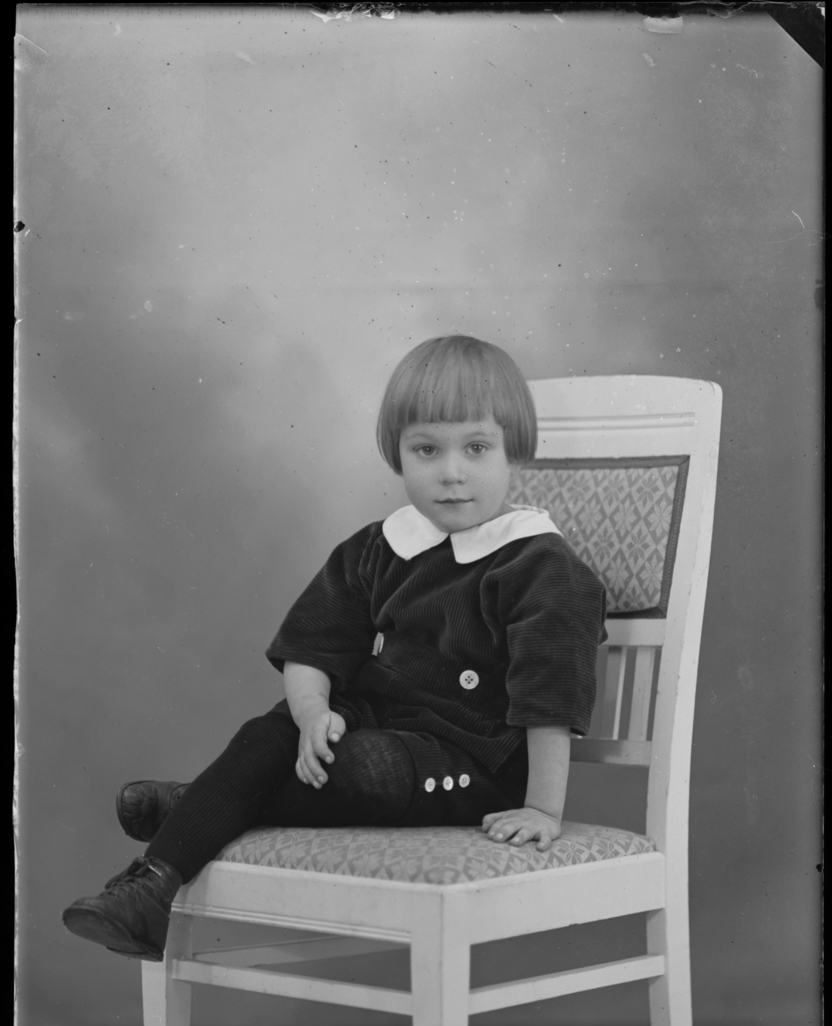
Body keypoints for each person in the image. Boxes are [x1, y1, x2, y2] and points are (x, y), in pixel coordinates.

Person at [62, 335, 607, 962]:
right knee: (269, 734)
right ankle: (147, 892)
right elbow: (314, 646)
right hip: (378, 726)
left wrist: (543, 808)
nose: (451, 472)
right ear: (398, 454)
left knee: (365, 771)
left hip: (474, 762)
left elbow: (550, 697)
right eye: (426, 449)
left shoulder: (539, 564)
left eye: (477, 448)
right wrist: (312, 711)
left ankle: (197, 805)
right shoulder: (382, 545)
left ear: (516, 452)